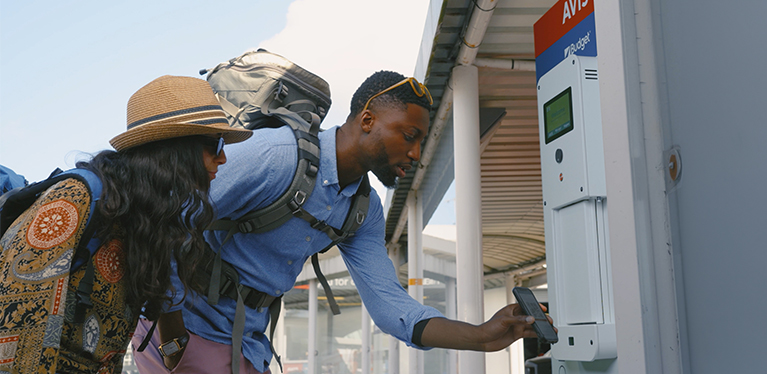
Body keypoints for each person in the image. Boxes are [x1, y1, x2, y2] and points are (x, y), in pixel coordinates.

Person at [132, 71, 551, 374]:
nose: (417, 153)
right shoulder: (276, 157)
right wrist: (171, 335)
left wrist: (480, 336)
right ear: (368, 120)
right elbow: (168, 224)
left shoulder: (362, 211)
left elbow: (390, 307)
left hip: (246, 344)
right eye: (409, 136)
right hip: (186, 330)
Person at [0, 75, 251, 373]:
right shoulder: (78, 198)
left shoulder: (152, 219)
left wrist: (176, 353)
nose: (223, 158)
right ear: (173, 148)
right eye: (215, 144)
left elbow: (167, 325)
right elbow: (18, 325)